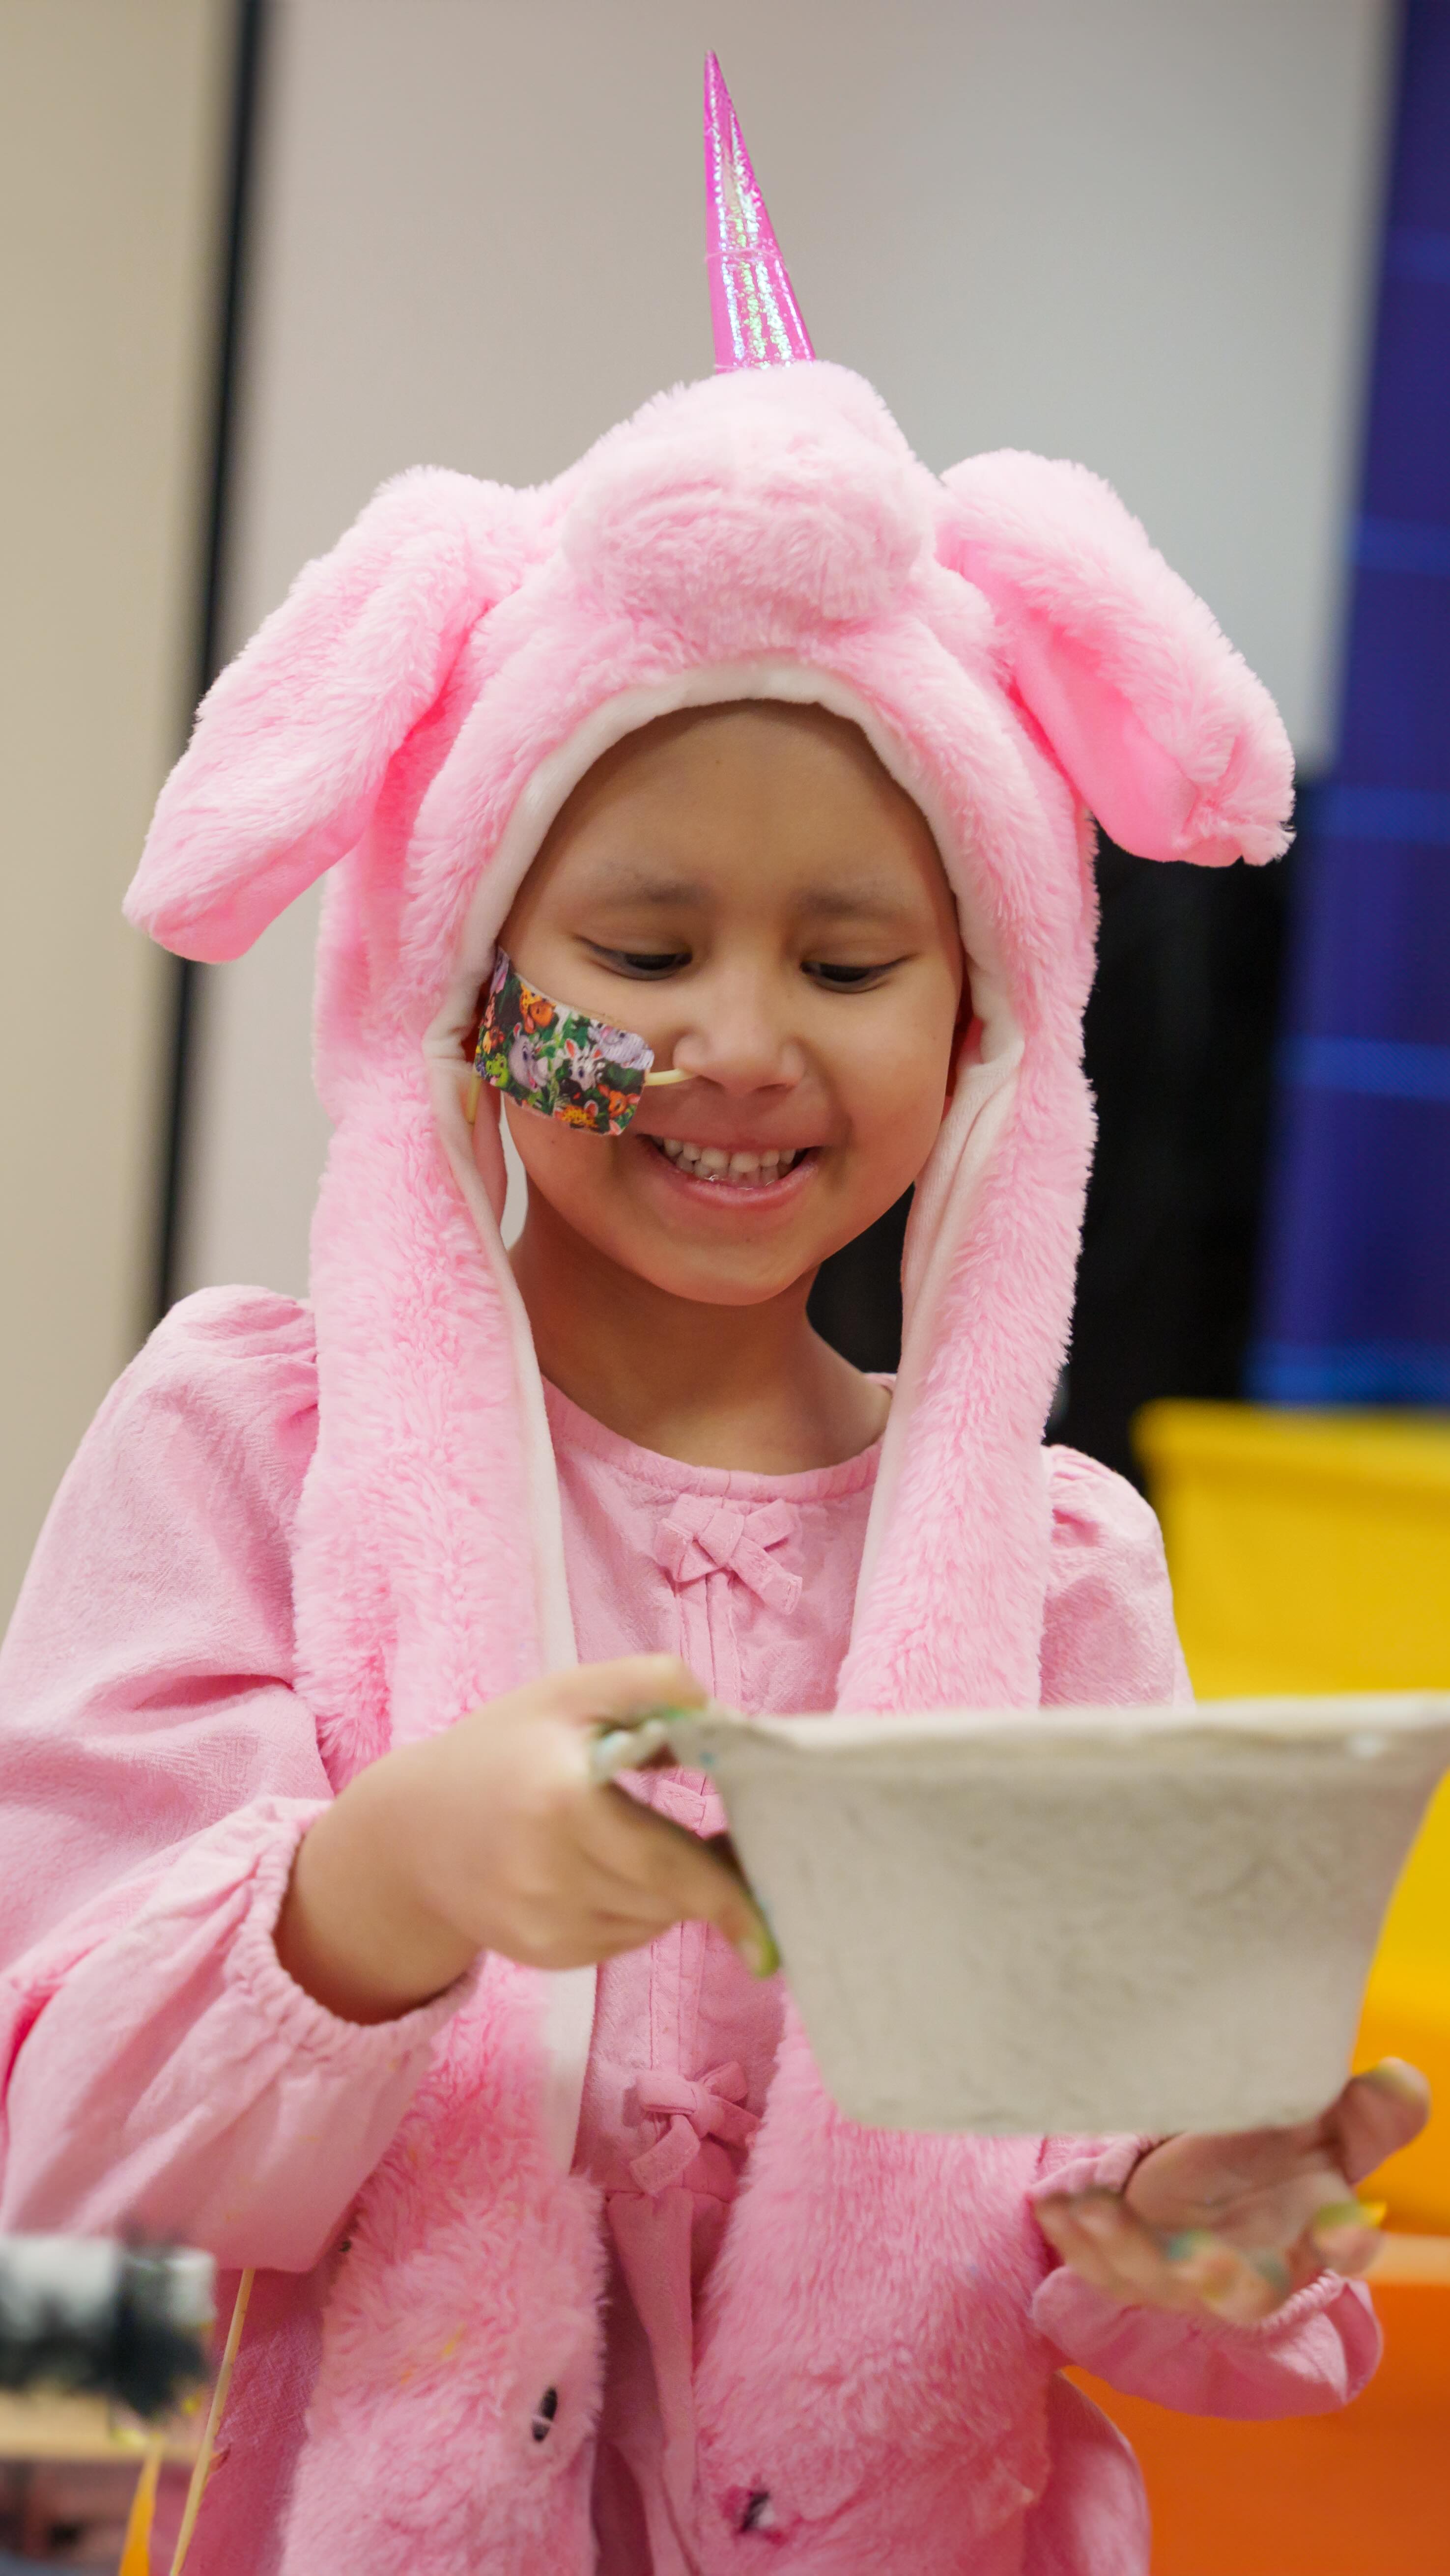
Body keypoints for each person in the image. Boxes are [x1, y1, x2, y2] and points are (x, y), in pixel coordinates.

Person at [0, 58, 1427, 2576]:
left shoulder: (1057, 1574)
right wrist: (377, 1890)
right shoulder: (249, 1444)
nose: (741, 1041)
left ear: (984, 1026)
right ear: (465, 986)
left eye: (853, 961)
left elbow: (1129, 2292)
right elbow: (52, 2207)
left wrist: (1220, 2196)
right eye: (637, 953)